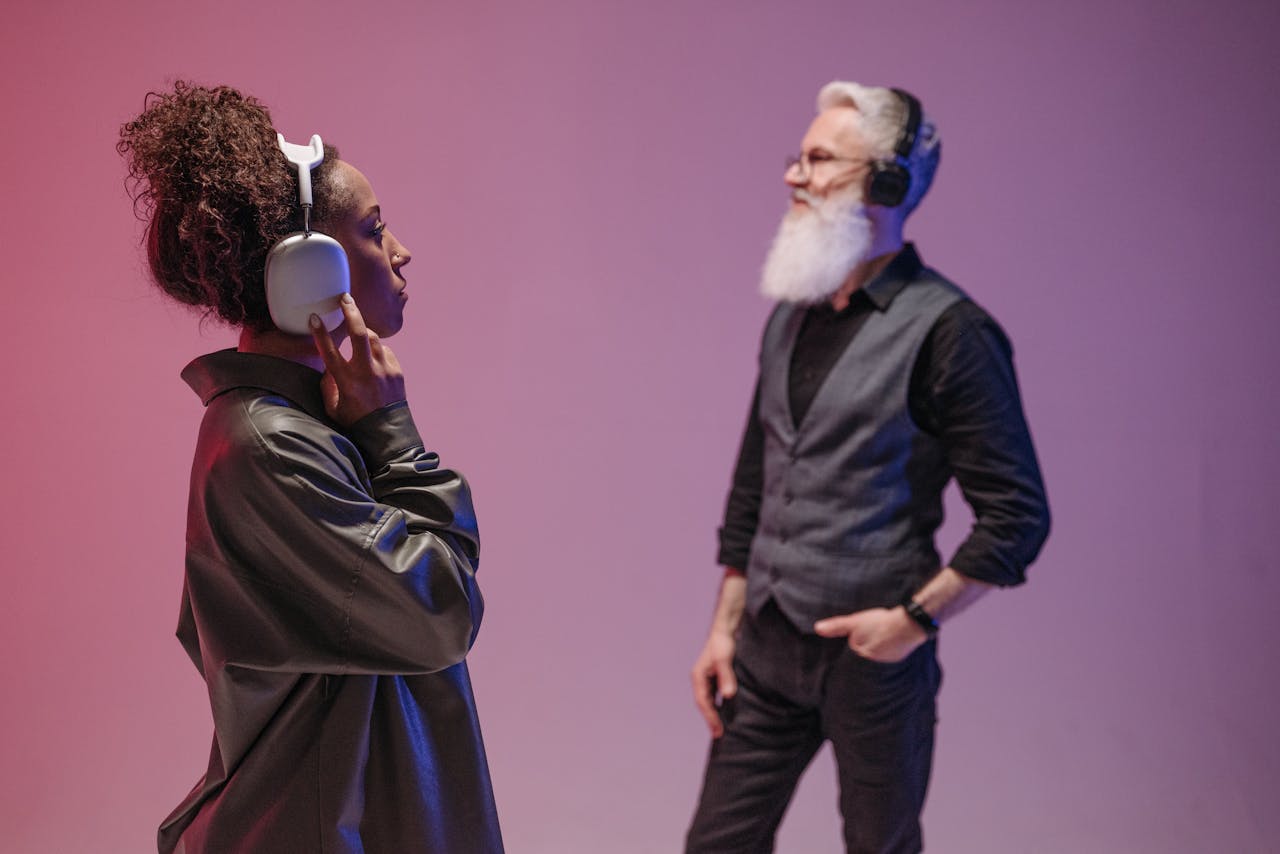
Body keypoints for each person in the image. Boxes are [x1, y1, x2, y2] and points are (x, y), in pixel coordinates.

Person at [118, 82, 504, 854]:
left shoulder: (304, 429)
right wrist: (394, 436)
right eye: (374, 229)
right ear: (308, 270)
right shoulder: (269, 444)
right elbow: (443, 612)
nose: (400, 252)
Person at [685, 81, 1051, 853]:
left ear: (887, 184)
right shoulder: (793, 311)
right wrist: (724, 629)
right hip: (766, 645)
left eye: (819, 160)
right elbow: (755, 481)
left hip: (871, 660)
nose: (794, 175)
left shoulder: (953, 333)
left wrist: (912, 622)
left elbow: (1017, 515)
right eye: (799, 156)